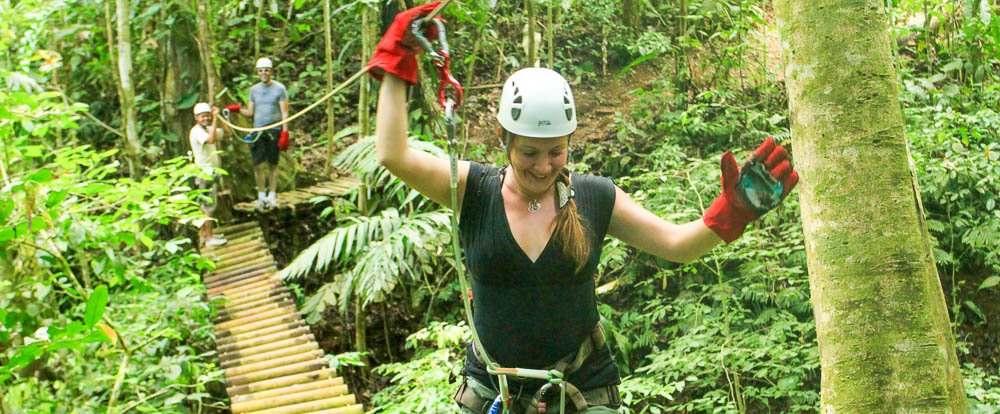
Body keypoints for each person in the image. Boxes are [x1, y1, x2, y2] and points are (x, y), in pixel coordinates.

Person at [369, 3, 799, 413]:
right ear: (505, 141)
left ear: (571, 141)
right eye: (529, 153)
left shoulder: (595, 197)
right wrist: (398, 60)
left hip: (582, 386)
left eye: (556, 151)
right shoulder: (473, 190)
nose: (543, 166)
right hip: (492, 389)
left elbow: (676, 244)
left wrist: (732, 212)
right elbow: (393, 154)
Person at [226, 57, 289, 210]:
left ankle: (272, 196)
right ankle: (261, 196)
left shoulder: (280, 89)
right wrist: (235, 110)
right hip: (257, 131)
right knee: (258, 164)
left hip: (274, 130)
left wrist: (285, 133)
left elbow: (285, 112)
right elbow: (250, 112)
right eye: (261, 70)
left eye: (266, 70)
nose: (264, 73)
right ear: (257, 72)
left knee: (273, 164)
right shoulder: (254, 90)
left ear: (271, 71)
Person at [190, 102, 228, 248]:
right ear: (196, 118)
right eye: (203, 116)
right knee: (208, 207)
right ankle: (210, 238)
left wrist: (219, 118)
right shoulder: (197, 131)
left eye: (207, 116)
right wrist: (215, 119)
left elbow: (227, 133)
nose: (206, 118)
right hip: (204, 174)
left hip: (211, 172)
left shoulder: (207, 129)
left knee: (205, 205)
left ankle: (205, 234)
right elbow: (211, 139)